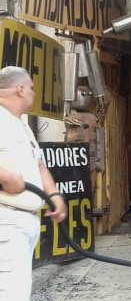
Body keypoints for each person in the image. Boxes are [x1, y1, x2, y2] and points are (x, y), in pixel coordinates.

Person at [0, 66, 67, 301]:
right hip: (6, 220)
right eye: (31, 88)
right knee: (12, 293)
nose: (33, 93)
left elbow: (39, 165)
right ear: (19, 89)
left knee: (18, 289)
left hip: (24, 219)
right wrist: (5, 177)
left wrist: (55, 196)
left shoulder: (21, 124)